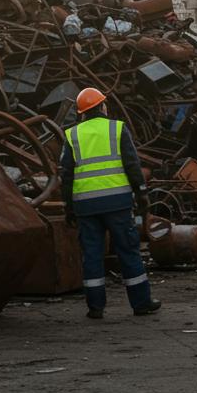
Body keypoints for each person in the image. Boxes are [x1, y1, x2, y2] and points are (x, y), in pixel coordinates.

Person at [59, 87, 162, 319]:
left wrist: (68, 207)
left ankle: (95, 307)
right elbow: (132, 164)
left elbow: (66, 175)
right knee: (128, 251)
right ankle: (141, 303)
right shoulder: (117, 128)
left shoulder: (72, 135)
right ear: (102, 106)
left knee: (92, 255)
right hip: (117, 204)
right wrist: (142, 193)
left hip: (86, 206)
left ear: (82, 113)